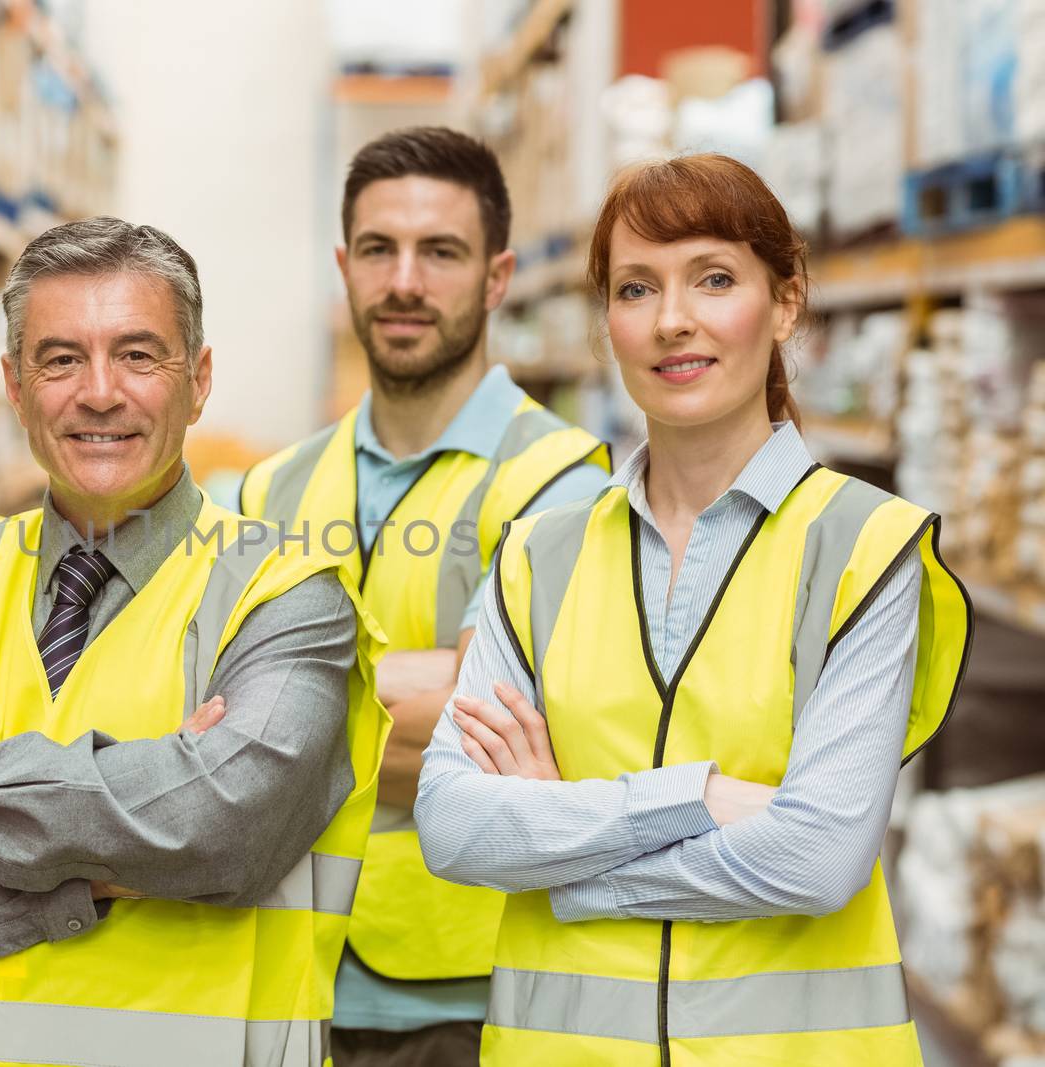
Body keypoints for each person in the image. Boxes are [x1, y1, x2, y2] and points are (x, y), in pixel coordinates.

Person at [414, 153, 973, 1066]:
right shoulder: (538, 557)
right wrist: (702, 797)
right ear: (608, 322)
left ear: (785, 300)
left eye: (714, 278)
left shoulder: (866, 548)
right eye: (636, 289)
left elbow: (817, 855)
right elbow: (455, 824)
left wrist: (563, 843)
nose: (673, 320)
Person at [0, 216, 391, 1067]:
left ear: (200, 380)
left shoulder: (288, 598)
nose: (101, 391)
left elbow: (215, 827)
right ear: (13, 384)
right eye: (61, 358)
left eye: (139, 354)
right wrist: (97, 871)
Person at [237, 126, 609, 1064]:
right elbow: (195, 723)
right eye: (378, 249)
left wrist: (275, 720)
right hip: (280, 967)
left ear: (496, 277)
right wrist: (417, 691)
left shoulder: (560, 485)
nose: (405, 281)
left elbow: (514, 735)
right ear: (344, 266)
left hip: (464, 992)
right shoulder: (267, 488)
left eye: (440, 252)